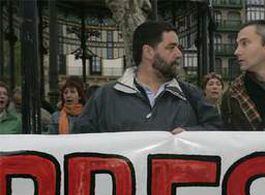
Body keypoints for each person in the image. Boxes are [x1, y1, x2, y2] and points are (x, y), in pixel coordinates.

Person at [73, 21, 222, 134]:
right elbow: (80, 144)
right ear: (148, 52)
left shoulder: (191, 95)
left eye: (179, 48)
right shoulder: (105, 97)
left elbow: (217, 130)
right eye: (171, 47)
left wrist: (190, 135)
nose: (179, 54)